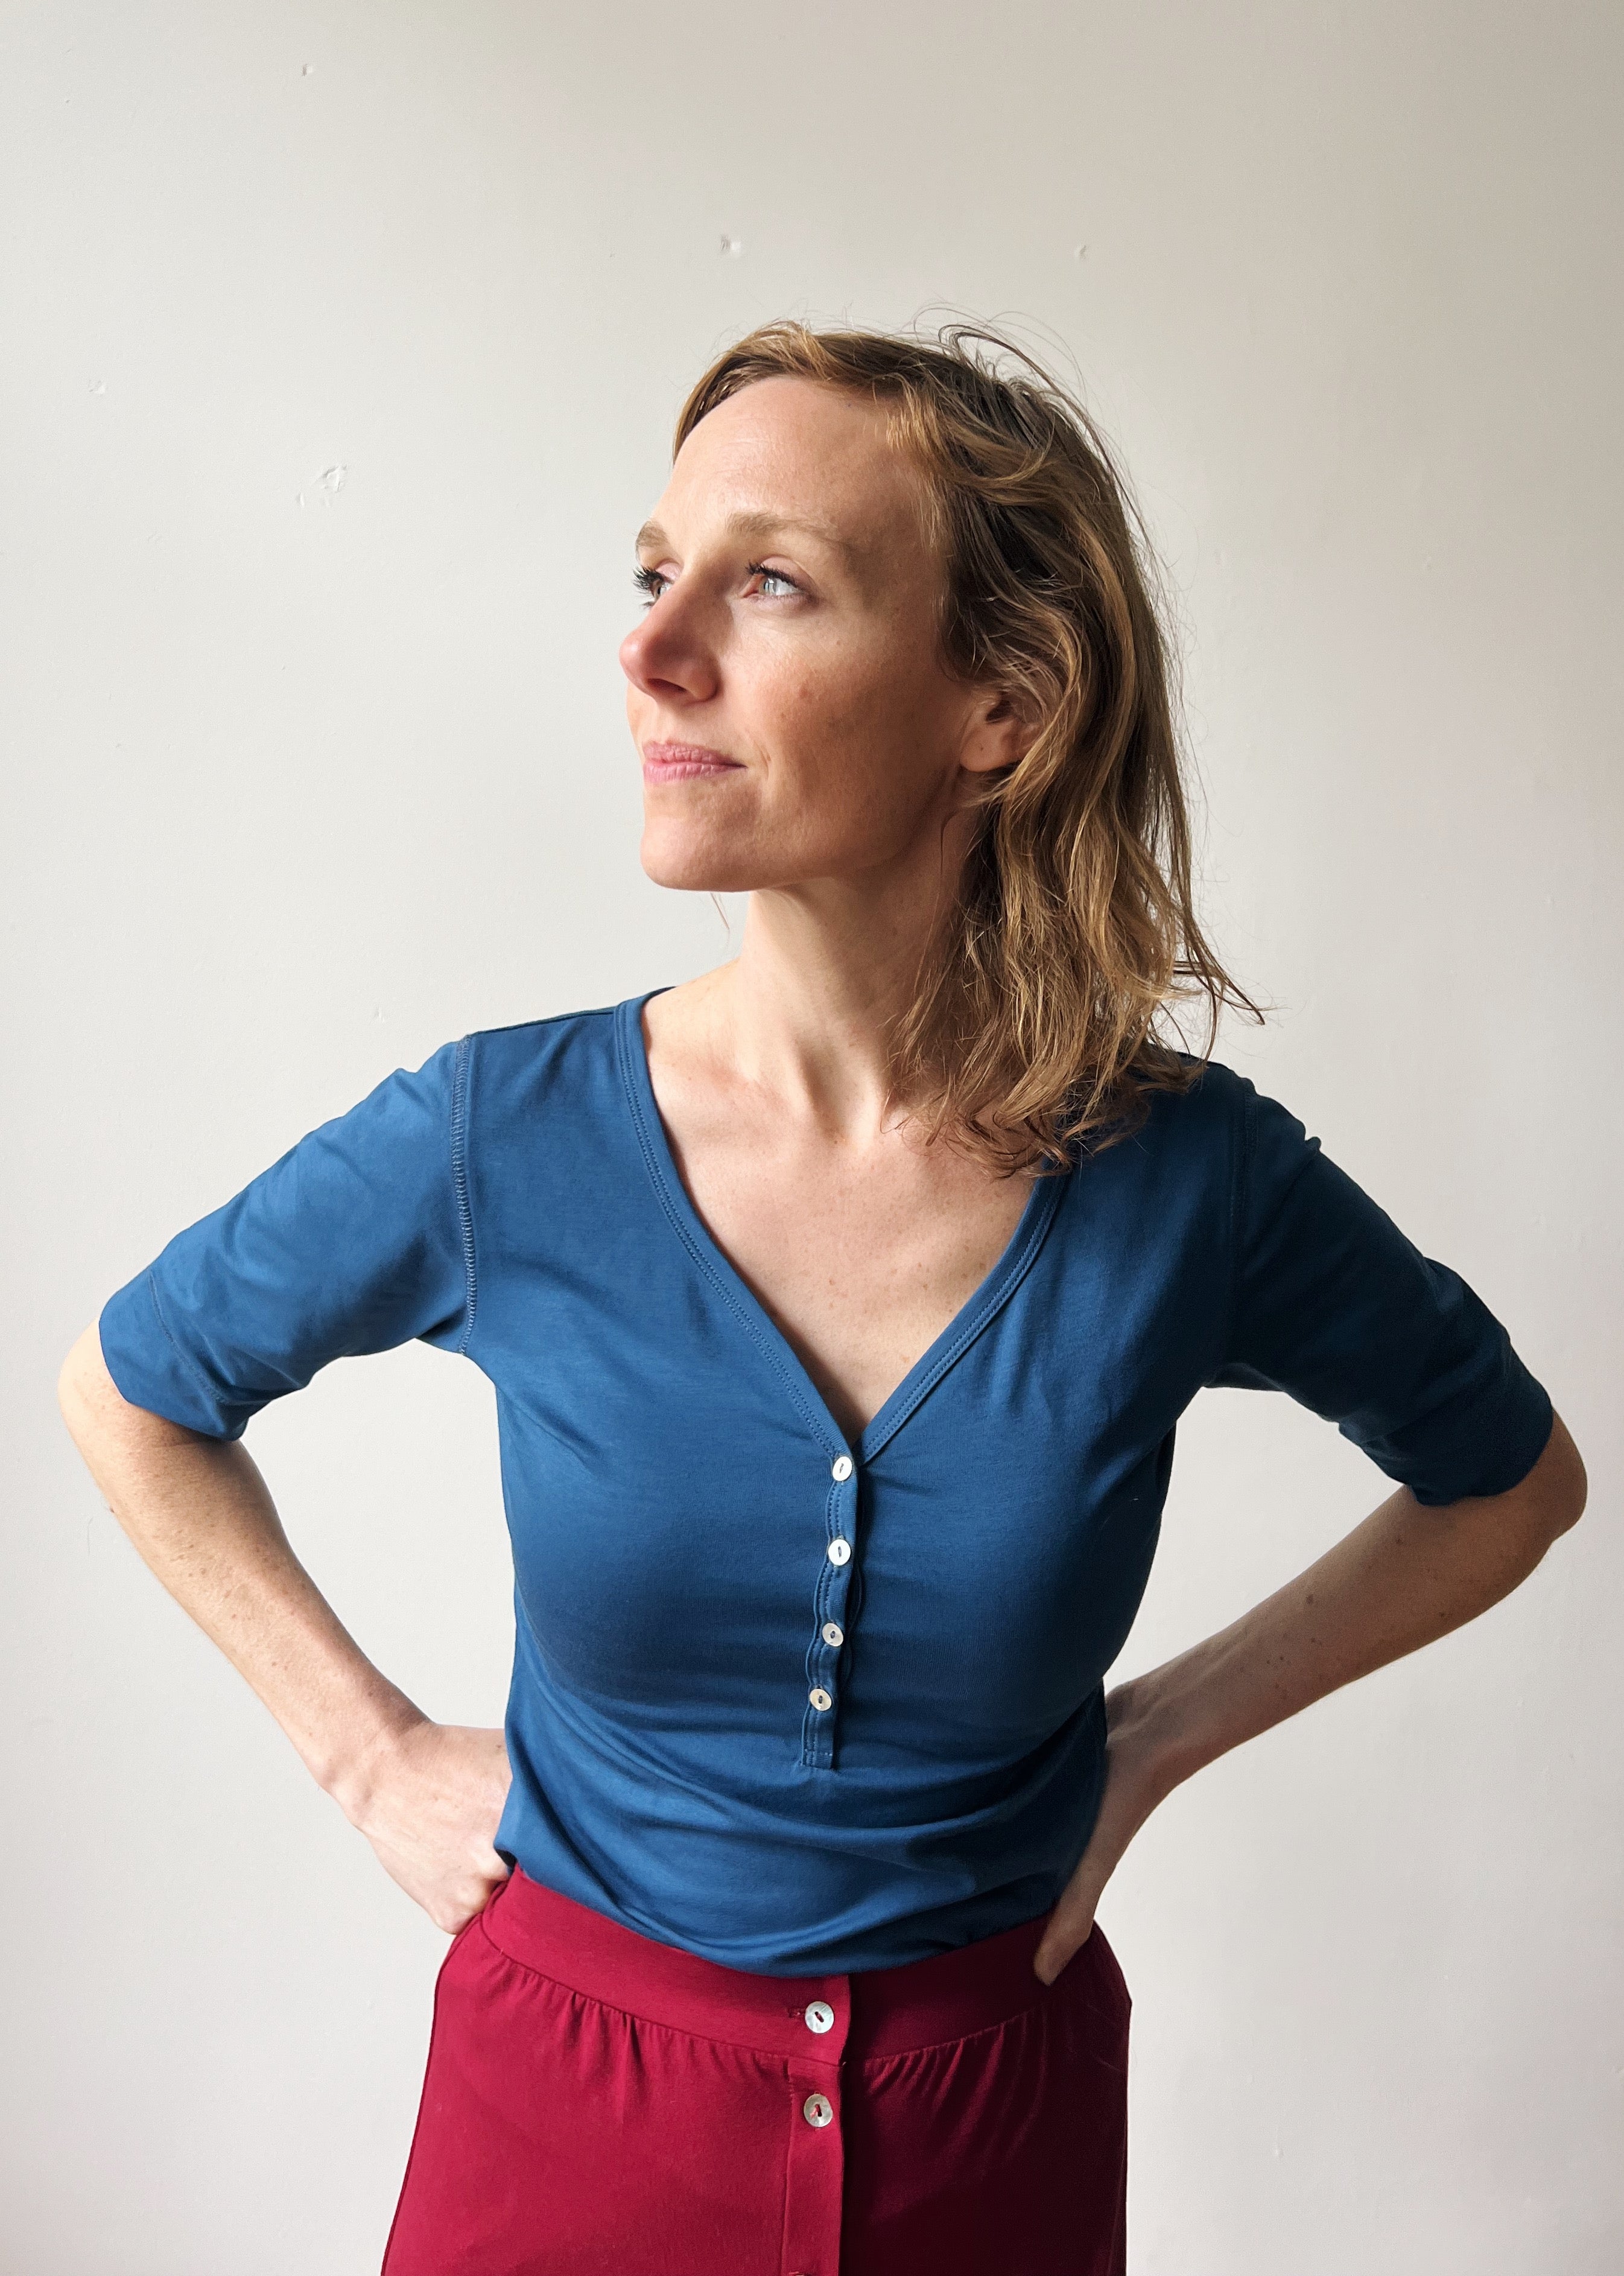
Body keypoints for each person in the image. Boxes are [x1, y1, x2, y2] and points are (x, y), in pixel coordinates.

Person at [59, 322, 1586, 2276]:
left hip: (990, 2127)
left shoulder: (1194, 1182)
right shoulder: (494, 1137)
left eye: (767, 582)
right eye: (650, 572)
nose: (651, 647)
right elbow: (136, 1392)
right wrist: (365, 1750)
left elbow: (1506, 1481)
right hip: (567, 2113)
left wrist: (1150, 1744)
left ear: (1002, 710)